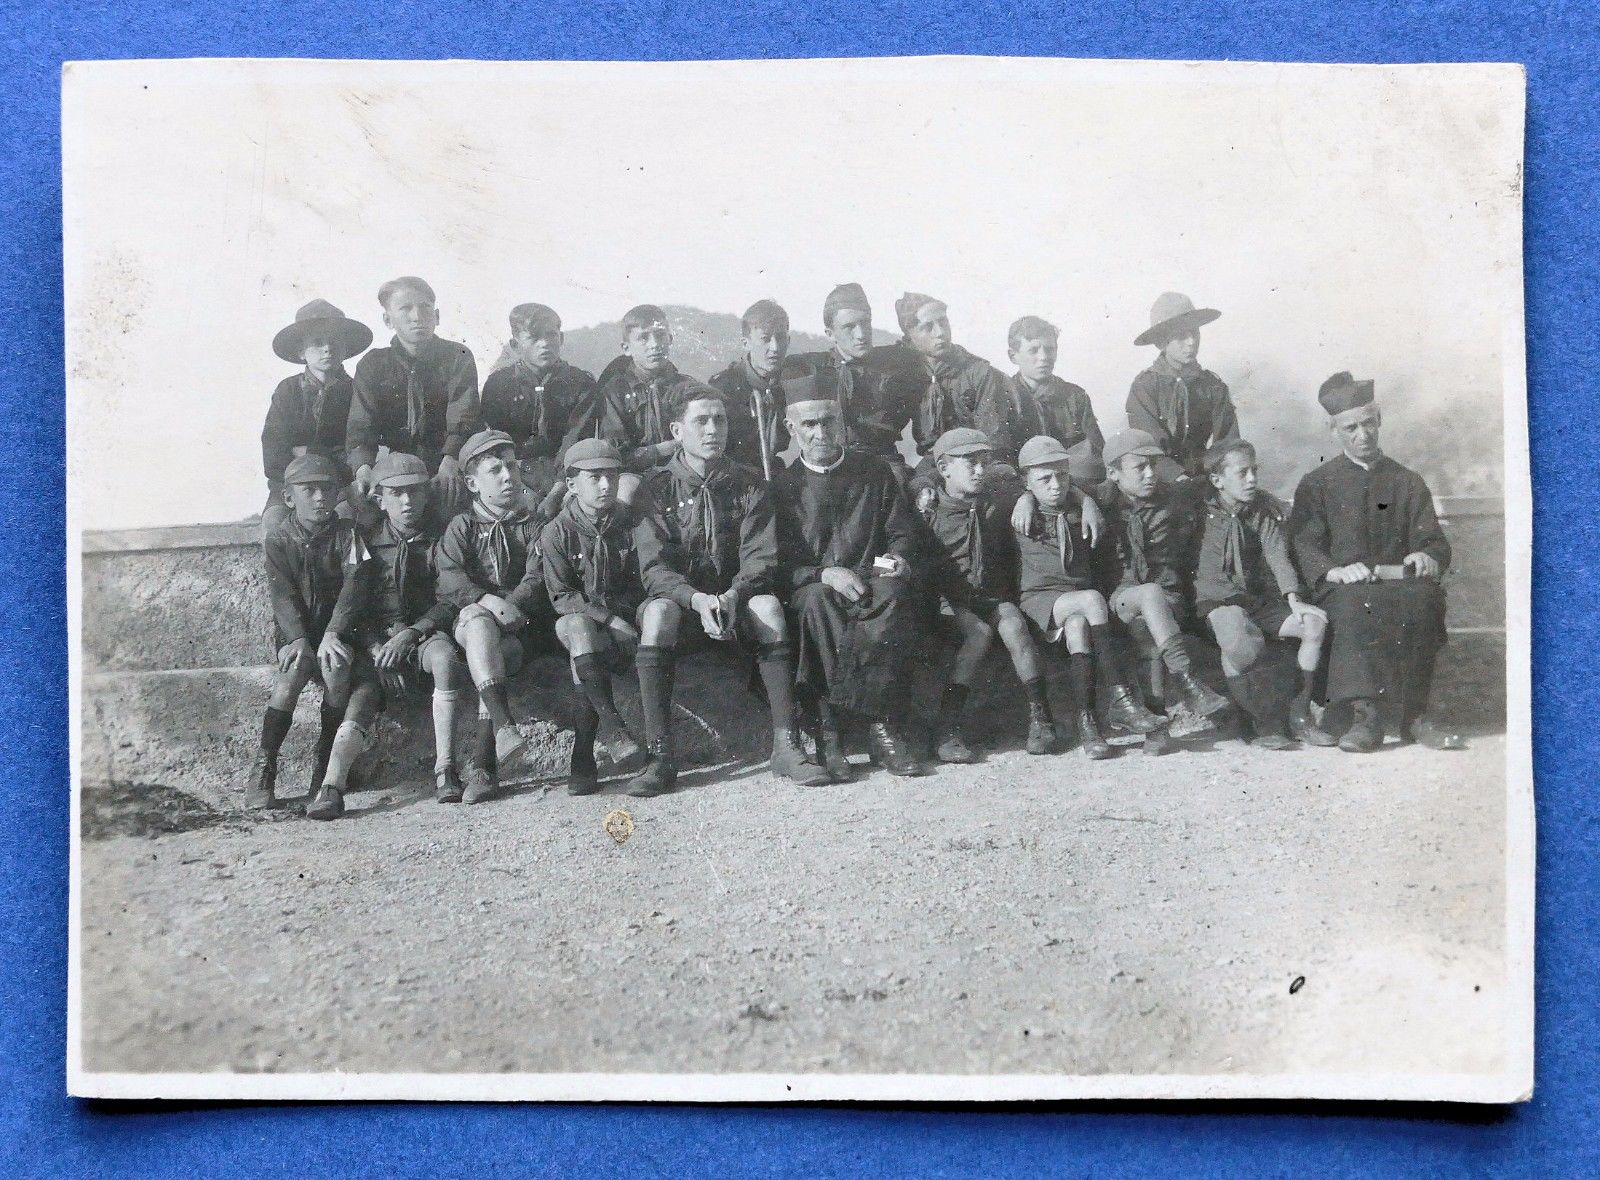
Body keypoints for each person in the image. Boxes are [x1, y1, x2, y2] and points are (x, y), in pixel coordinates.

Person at [634, 385, 827, 786]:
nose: (712, 430)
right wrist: (696, 599)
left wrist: (734, 596)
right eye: (701, 421)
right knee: (657, 613)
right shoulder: (654, 489)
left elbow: (761, 558)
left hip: (736, 603)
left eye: (719, 420)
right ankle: (659, 756)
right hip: (685, 607)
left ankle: (786, 745)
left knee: (768, 608)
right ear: (677, 431)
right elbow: (654, 569)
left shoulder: (750, 483)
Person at [1288, 373, 1465, 753]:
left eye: (1368, 423)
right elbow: (1303, 543)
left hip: (1398, 582)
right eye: (1350, 428)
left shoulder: (1407, 481)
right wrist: (1333, 570)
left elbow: (1433, 539)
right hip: (1343, 587)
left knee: (1426, 599)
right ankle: (1364, 718)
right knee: (1354, 605)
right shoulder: (1317, 484)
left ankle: (1416, 717)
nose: (1362, 435)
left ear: (1379, 418)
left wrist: (1425, 554)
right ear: (1333, 429)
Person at [771, 360, 928, 780]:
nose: (821, 433)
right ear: (791, 428)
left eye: (828, 421)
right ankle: (829, 732)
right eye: (809, 425)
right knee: (816, 602)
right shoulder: (783, 488)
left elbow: (900, 533)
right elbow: (779, 562)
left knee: (892, 593)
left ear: (840, 421)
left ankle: (880, 727)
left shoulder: (874, 472)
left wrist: (896, 559)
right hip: (816, 585)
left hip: (870, 576)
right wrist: (822, 574)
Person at [1013, 436, 1165, 758]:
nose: (1056, 485)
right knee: (1093, 600)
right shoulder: (1017, 509)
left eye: (1062, 475)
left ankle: (1088, 725)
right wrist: (1025, 498)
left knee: (1079, 626)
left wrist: (1085, 500)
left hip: (1074, 598)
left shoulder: (1080, 503)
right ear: (1026, 482)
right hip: (1040, 599)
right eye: (1044, 479)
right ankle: (1120, 699)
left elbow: (1097, 487)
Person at [248, 453, 376, 818]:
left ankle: (324, 760)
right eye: (309, 490)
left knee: (336, 668)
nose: (320, 498)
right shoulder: (279, 539)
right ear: (289, 498)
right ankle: (264, 766)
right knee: (292, 673)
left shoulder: (348, 535)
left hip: (339, 630)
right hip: (298, 632)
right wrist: (298, 638)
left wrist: (335, 632)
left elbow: (355, 586)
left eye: (327, 490)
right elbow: (282, 594)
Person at [920, 428, 1058, 761]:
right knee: (979, 634)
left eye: (985, 462)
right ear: (944, 468)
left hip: (992, 597)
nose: (981, 471)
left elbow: (1040, 486)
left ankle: (1041, 718)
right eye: (971, 464)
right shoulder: (930, 512)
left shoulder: (997, 500)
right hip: (951, 602)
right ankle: (947, 729)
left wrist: (1026, 499)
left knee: (1014, 625)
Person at [542, 439, 669, 796]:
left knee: (584, 657)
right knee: (579, 627)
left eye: (612, 477)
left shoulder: (632, 523)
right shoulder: (557, 531)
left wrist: (627, 618)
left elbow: (649, 573)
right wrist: (609, 620)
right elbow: (562, 595)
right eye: (594, 477)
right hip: (583, 621)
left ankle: (582, 758)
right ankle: (612, 729)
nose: (605, 485)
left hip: (627, 623)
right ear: (571, 484)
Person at [434, 429, 551, 803]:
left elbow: (537, 576)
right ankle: (498, 736)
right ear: (472, 483)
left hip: (521, 625)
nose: (508, 477)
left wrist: (511, 604)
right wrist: (486, 600)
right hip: (474, 627)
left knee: (496, 645)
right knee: (479, 622)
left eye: (512, 467)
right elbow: (449, 578)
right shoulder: (463, 527)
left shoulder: (532, 524)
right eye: (495, 470)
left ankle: (487, 761)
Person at [1195, 440, 1335, 749]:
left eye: (1254, 471)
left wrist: (1293, 598)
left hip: (1253, 599)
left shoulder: (1260, 511)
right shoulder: (1197, 507)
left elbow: (1276, 554)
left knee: (1313, 624)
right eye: (1242, 473)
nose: (1252, 480)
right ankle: (1259, 722)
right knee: (1238, 638)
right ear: (1217, 480)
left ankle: (1300, 718)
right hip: (1216, 599)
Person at [357, 451, 472, 802]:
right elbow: (353, 605)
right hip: (378, 641)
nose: (407, 502)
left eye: (415, 491)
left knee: (445, 659)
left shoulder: (441, 538)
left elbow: (449, 598)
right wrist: (377, 648)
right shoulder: (365, 541)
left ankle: (445, 767)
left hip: (424, 634)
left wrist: (413, 633)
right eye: (397, 493)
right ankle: (332, 773)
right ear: (380, 499)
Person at [1096, 429, 1232, 722]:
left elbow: (1220, 482)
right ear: (1113, 473)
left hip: (1168, 599)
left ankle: (1155, 726)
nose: (1150, 474)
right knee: (1148, 595)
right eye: (1139, 467)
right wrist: (1034, 501)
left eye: (1153, 465)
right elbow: (1061, 489)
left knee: (1146, 625)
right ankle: (1187, 682)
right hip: (1121, 601)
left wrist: (1268, 498)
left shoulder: (1173, 495)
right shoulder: (1100, 501)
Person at [346, 276, 480, 518]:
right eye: (405, 308)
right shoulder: (373, 364)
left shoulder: (457, 356)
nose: (417, 316)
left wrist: (451, 460)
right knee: (363, 511)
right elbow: (361, 427)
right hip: (394, 465)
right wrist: (363, 468)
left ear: (436, 316)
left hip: (444, 463)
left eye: (425, 307)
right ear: (388, 320)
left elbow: (464, 416)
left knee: (453, 510)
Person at [260, 298, 373, 536]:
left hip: (340, 487)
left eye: (334, 341)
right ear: (301, 351)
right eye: (318, 343)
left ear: (345, 348)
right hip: (291, 486)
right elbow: (273, 450)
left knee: (347, 523)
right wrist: (323, 460)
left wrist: (306, 452)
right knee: (274, 526)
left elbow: (358, 445)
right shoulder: (287, 391)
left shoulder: (357, 391)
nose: (327, 349)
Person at [789, 283, 918, 470]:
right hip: (831, 465)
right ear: (830, 334)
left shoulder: (894, 364)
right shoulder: (811, 369)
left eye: (865, 323)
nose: (861, 334)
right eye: (849, 326)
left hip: (883, 466)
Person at [480, 302, 596, 510]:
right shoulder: (498, 384)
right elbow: (497, 443)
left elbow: (576, 438)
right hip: (515, 476)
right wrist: (522, 490)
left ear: (561, 338)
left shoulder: (581, 383)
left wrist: (558, 490)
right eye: (534, 338)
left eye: (551, 335)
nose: (545, 344)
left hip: (566, 477)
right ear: (515, 345)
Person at [564, 304, 698, 477]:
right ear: (626, 348)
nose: (655, 345)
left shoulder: (688, 387)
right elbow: (616, 454)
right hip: (634, 475)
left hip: (684, 473)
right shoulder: (615, 392)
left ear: (670, 339)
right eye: (643, 338)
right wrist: (663, 449)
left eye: (660, 335)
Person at [897, 292, 1021, 467]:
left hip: (978, 460)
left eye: (943, 322)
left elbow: (995, 439)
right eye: (928, 327)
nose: (940, 333)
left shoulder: (979, 372)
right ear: (909, 334)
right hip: (934, 461)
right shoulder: (906, 372)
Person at [1126, 292, 1240, 480]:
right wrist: (1176, 477)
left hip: (1205, 478)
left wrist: (1218, 477)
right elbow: (1147, 446)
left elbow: (1228, 443)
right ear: (1162, 342)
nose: (1191, 342)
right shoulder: (1145, 386)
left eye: (1194, 333)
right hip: (1159, 480)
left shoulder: (1213, 386)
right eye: (1181, 336)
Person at [707, 299, 792, 479]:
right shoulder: (723, 388)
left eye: (781, 337)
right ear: (746, 343)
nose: (775, 347)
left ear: (789, 339)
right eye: (765, 339)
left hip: (778, 474)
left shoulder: (795, 380)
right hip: (734, 476)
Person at [1005, 315, 1104, 457]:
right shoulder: (1003, 397)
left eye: (1049, 349)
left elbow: (1096, 453)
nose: (1044, 357)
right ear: (1013, 356)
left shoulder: (1075, 397)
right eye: (1033, 350)